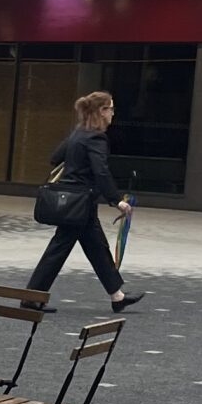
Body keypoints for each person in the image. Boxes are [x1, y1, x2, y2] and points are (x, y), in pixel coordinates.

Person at [28, 90, 145, 311]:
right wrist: (116, 200)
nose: (113, 113)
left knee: (97, 247)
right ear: (102, 111)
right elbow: (101, 172)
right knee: (58, 250)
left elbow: (55, 158)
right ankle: (31, 297)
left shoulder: (78, 133)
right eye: (111, 109)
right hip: (80, 203)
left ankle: (117, 296)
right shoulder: (96, 138)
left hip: (77, 203)